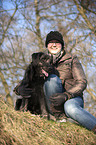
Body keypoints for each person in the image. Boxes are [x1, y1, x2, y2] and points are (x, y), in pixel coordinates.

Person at [43, 31, 96, 133]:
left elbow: (82, 82)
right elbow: (32, 79)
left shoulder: (71, 59)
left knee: (71, 108)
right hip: (52, 102)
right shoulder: (42, 61)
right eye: (51, 42)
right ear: (47, 45)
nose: (54, 45)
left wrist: (66, 95)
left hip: (72, 97)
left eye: (57, 42)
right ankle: (59, 117)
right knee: (52, 79)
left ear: (62, 45)